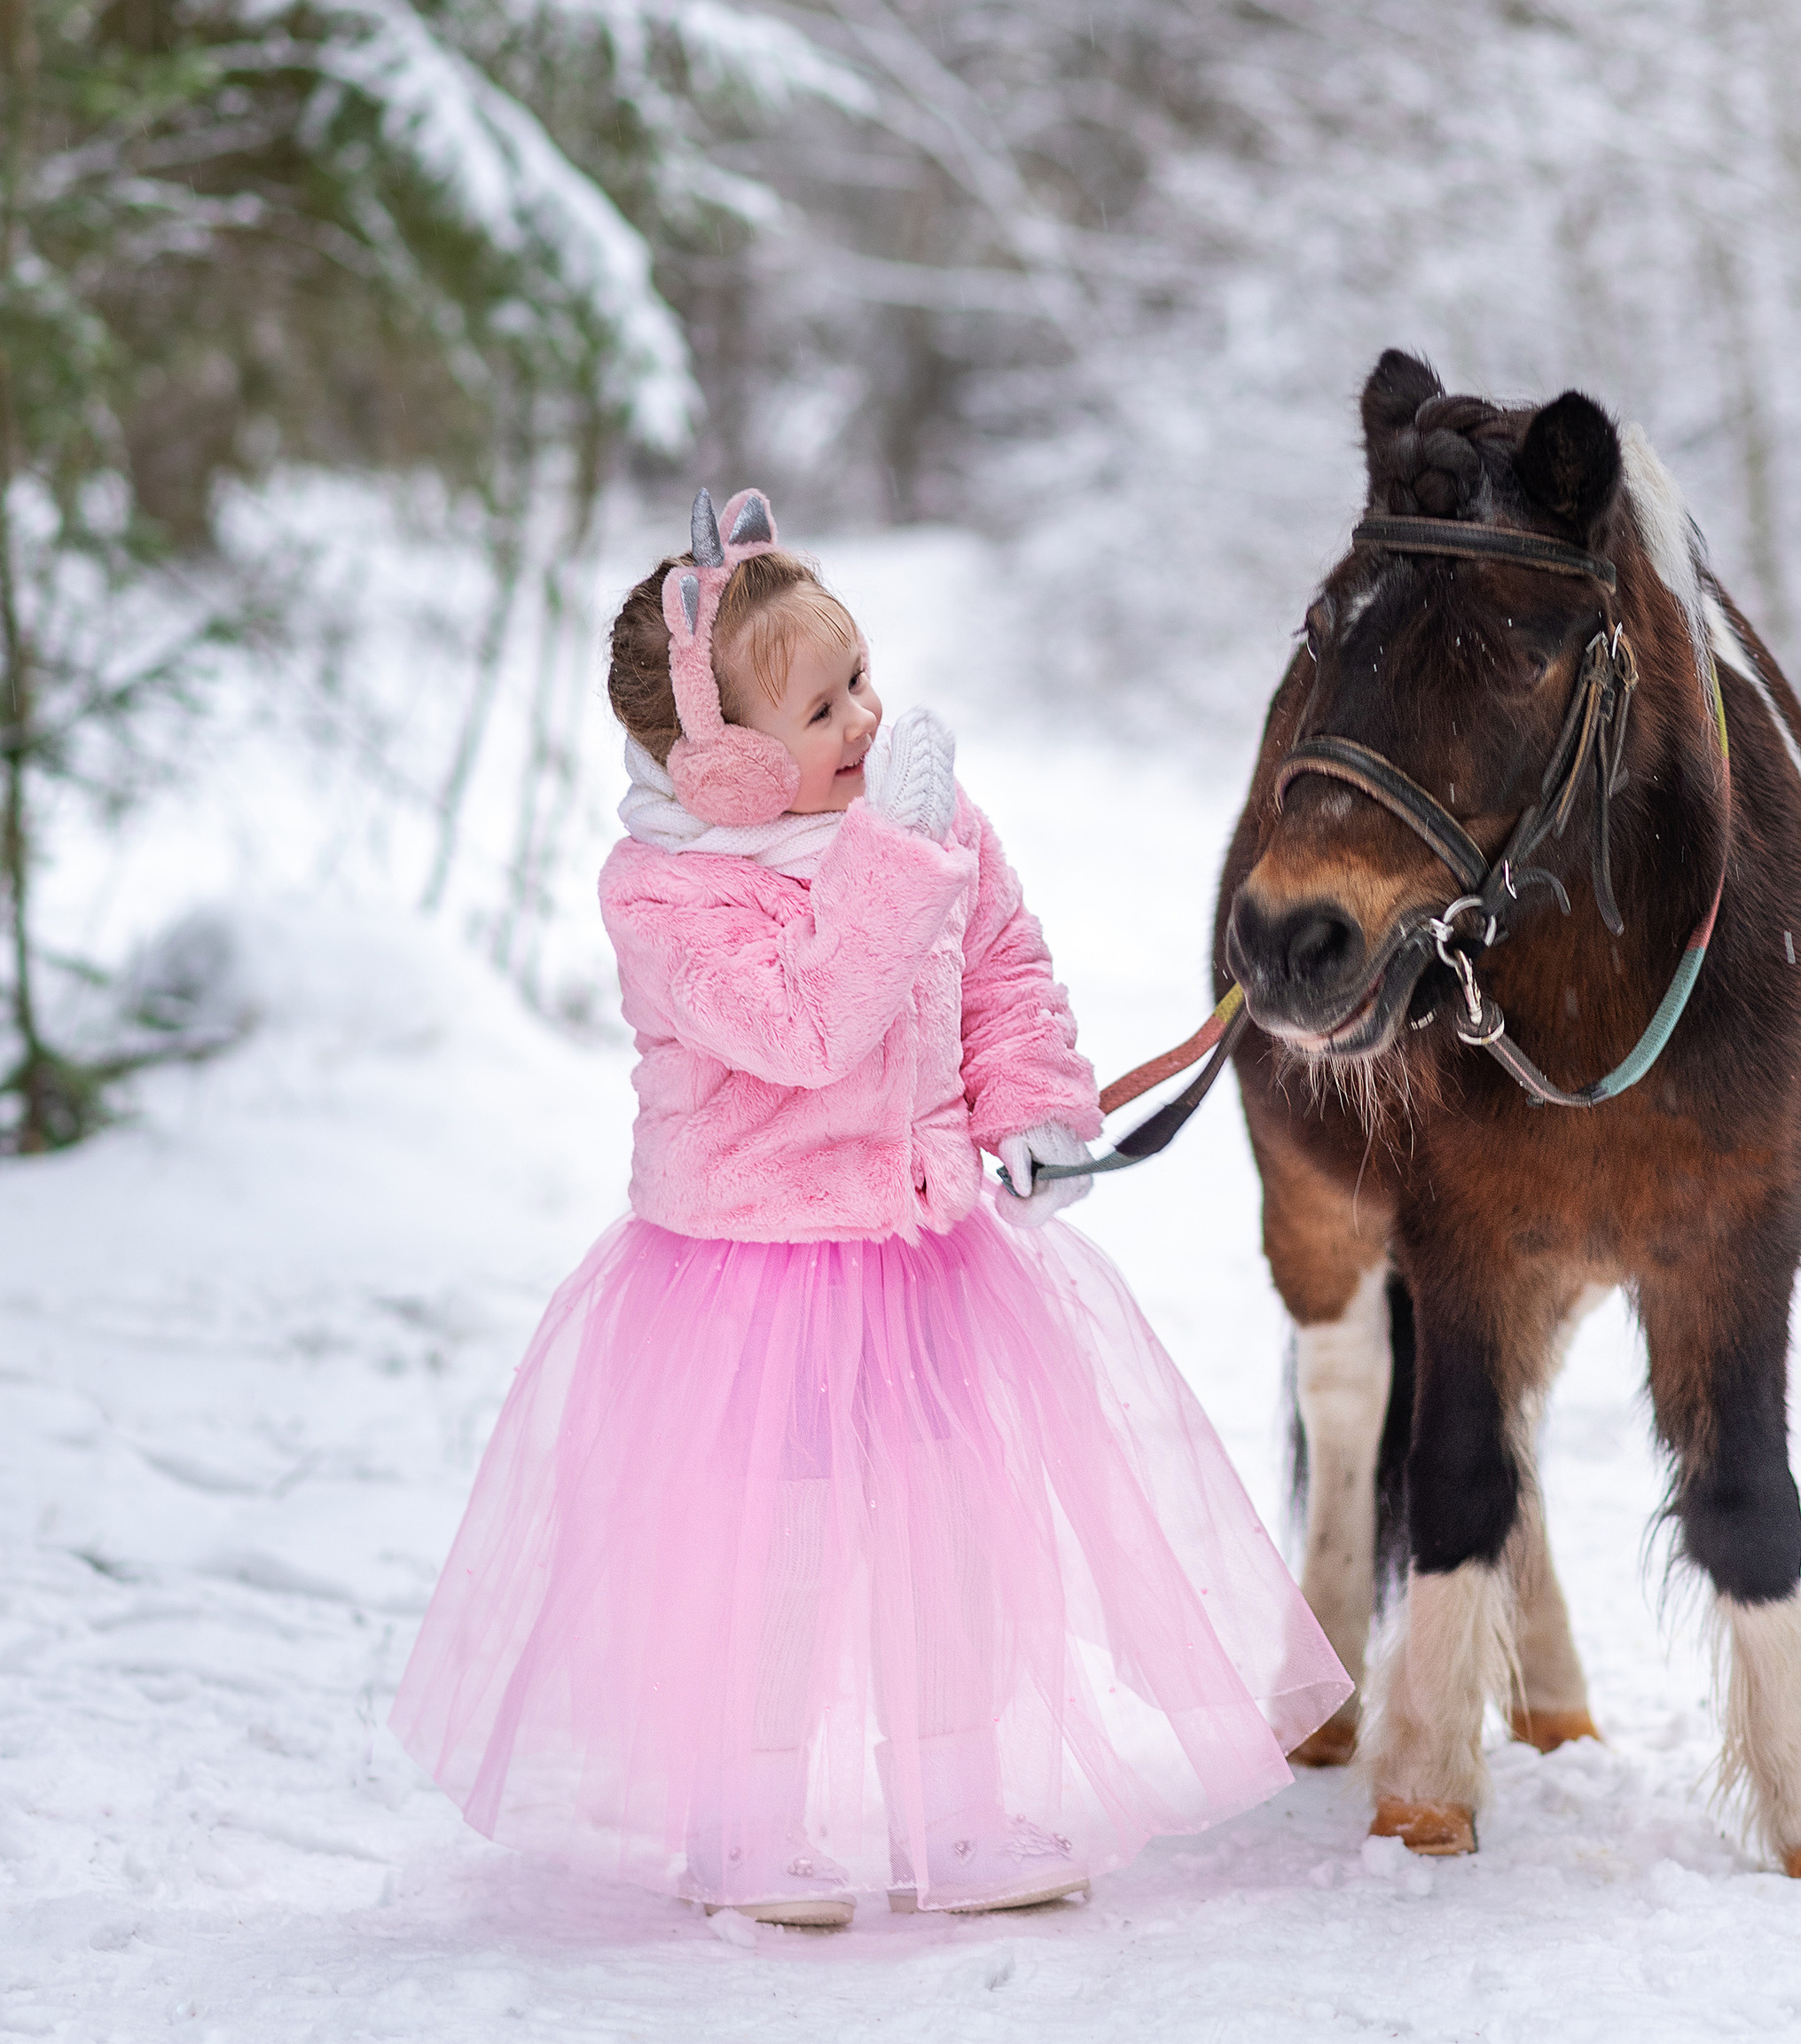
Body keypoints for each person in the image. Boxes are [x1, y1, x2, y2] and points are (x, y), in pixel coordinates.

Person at [392, 488, 1349, 1927]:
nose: (864, 718)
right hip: (750, 1278)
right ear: (713, 765)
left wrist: (1031, 1103)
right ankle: (753, 1820)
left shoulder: (920, 818)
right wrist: (896, 860)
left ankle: (961, 1807)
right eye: (820, 707)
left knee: (954, 1538)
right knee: (780, 1554)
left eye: (862, 683)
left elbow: (1003, 968)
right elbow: (804, 1027)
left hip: (925, 1253)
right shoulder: (667, 894)